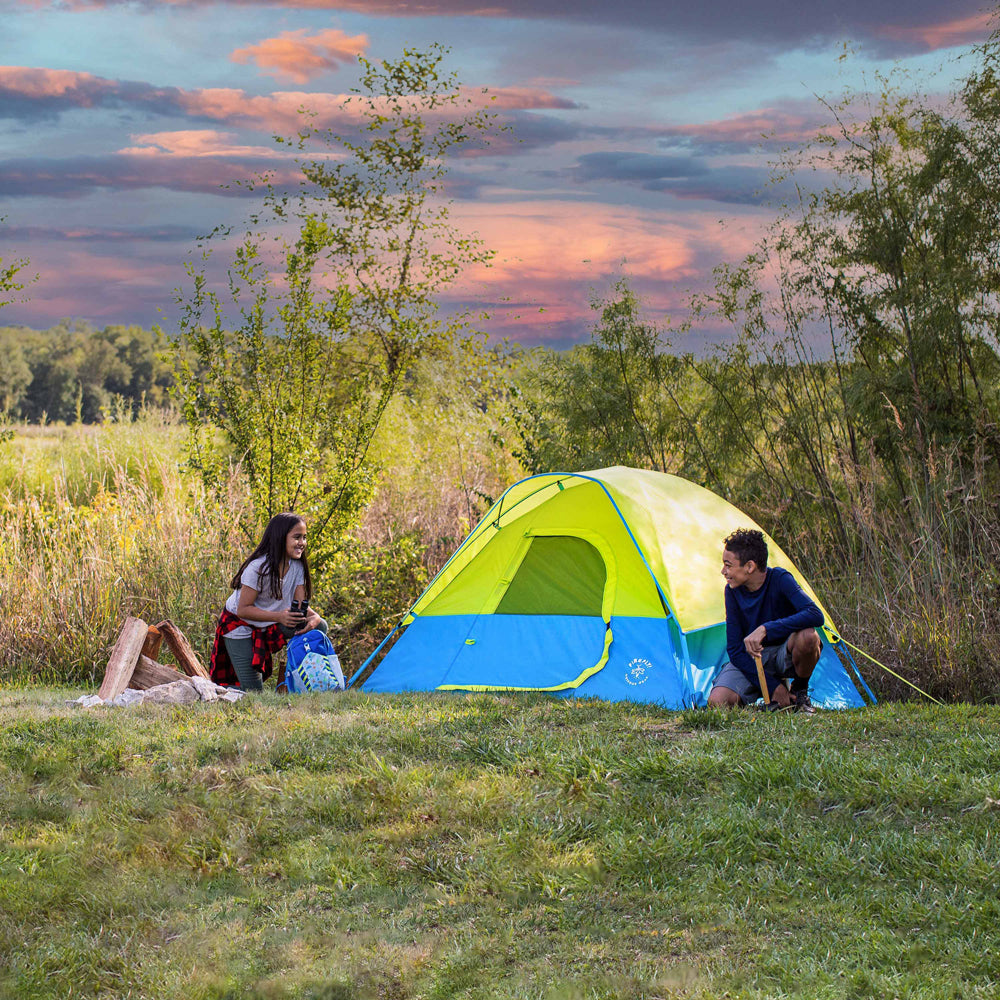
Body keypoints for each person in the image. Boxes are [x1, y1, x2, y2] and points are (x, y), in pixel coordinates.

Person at [209, 511, 327, 691]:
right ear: (280, 538)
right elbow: (243, 610)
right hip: (240, 625)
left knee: (320, 626)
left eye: (304, 537)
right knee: (254, 692)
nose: (302, 543)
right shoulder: (258, 568)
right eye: (297, 537)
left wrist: (314, 617)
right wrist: (279, 617)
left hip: (270, 622)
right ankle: (221, 692)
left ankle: (308, 681)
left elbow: (299, 607)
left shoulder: (297, 566)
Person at [707, 527, 822, 711]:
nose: (723, 571)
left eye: (728, 565)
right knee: (717, 702)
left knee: (808, 636)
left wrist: (766, 629)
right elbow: (735, 650)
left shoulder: (780, 579)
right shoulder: (732, 591)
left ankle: (799, 692)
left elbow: (815, 614)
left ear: (750, 566)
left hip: (784, 654)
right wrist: (773, 687)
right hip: (752, 659)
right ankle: (772, 697)